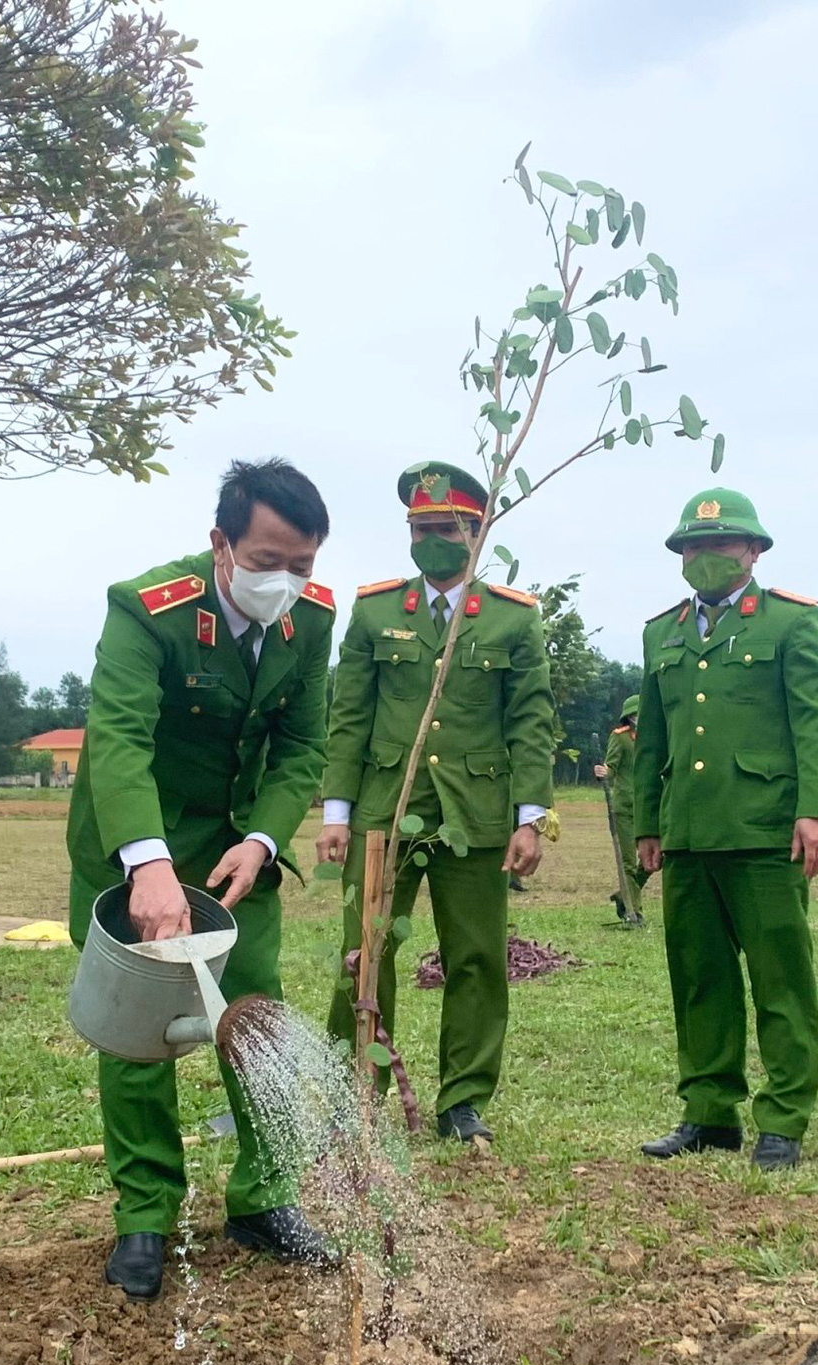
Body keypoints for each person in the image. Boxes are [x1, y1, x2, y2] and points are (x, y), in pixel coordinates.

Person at [66, 458, 340, 1301]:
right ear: (221, 543)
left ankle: (263, 1197)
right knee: (139, 1025)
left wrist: (261, 840)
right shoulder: (148, 611)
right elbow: (118, 737)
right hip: (132, 836)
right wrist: (146, 862)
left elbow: (300, 745)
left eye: (303, 564)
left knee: (254, 1015)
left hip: (232, 853)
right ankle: (145, 1213)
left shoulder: (312, 620)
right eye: (267, 560)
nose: (285, 581)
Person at [317, 460, 556, 1145]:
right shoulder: (376, 610)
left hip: (475, 815)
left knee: (476, 956)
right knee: (364, 950)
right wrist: (336, 812)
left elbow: (530, 722)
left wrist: (529, 818)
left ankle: (462, 1100)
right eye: (420, 526)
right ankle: (355, 1090)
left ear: (478, 533)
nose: (431, 538)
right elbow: (350, 715)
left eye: (446, 526)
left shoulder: (512, 619)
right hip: (384, 810)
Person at [633, 488, 818, 1172]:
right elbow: (652, 738)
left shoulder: (790, 623)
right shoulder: (660, 633)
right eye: (693, 546)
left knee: (781, 979)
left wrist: (817, 810)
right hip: (688, 832)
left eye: (719, 545)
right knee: (699, 977)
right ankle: (709, 1112)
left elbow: (815, 720)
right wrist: (647, 823)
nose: (705, 556)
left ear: (752, 550)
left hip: (764, 830)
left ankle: (782, 1119)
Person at [594, 694, 650, 919]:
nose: (637, 717)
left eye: (640, 713)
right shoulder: (620, 738)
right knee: (628, 861)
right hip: (625, 805)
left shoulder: (654, 737)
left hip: (648, 806)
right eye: (633, 714)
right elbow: (612, 767)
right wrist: (604, 772)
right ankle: (633, 910)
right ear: (628, 717)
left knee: (655, 858)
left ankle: (623, 893)